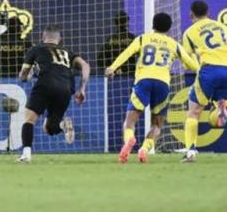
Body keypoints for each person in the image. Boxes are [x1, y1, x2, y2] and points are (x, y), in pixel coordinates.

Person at [105, 12, 198, 163]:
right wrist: (193, 55)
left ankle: (129, 140)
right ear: (169, 28)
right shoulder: (174, 44)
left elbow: (126, 53)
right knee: (157, 124)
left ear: (153, 25)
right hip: (162, 84)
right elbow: (194, 66)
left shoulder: (143, 38)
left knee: (130, 121)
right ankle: (144, 149)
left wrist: (112, 67)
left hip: (144, 81)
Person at [17, 24, 90, 162]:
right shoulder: (68, 52)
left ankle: (26, 155)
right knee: (49, 128)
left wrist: (26, 75)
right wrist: (82, 88)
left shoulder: (36, 49)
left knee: (29, 120)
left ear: (43, 36)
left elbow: (23, 74)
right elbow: (85, 66)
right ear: (59, 38)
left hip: (45, 83)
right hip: (66, 88)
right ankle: (62, 125)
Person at [181, 0, 227, 162]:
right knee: (222, 104)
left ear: (191, 14)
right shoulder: (223, 27)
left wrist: (197, 68)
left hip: (209, 70)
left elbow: (187, 59)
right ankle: (221, 105)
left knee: (194, 112)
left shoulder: (189, 32)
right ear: (208, 12)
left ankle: (191, 152)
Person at [97, 11, 136, 75]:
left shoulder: (110, 39)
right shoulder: (133, 39)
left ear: (116, 24)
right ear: (127, 23)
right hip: (130, 76)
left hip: (113, 76)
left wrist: (111, 69)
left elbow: (100, 60)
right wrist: (125, 69)